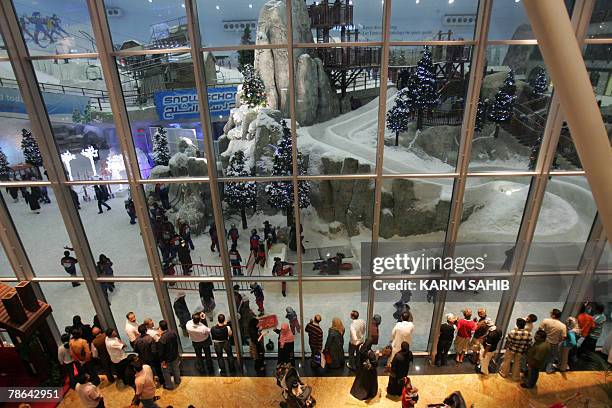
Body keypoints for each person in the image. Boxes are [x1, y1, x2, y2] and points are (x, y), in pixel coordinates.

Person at [539, 308, 567, 374]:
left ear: (553, 315)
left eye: (551, 313)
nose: (550, 314)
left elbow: (540, 329)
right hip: (554, 343)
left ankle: (539, 368)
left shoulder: (546, 320)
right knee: (552, 357)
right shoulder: (563, 326)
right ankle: (548, 369)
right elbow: (564, 337)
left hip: (545, 341)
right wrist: (558, 340)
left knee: (542, 355)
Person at [158, 320, 181, 390]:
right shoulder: (173, 333)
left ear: (160, 328)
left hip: (167, 359)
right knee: (175, 368)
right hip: (174, 356)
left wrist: (162, 361)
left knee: (166, 372)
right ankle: (177, 380)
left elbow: (161, 353)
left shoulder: (162, 339)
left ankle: (169, 385)